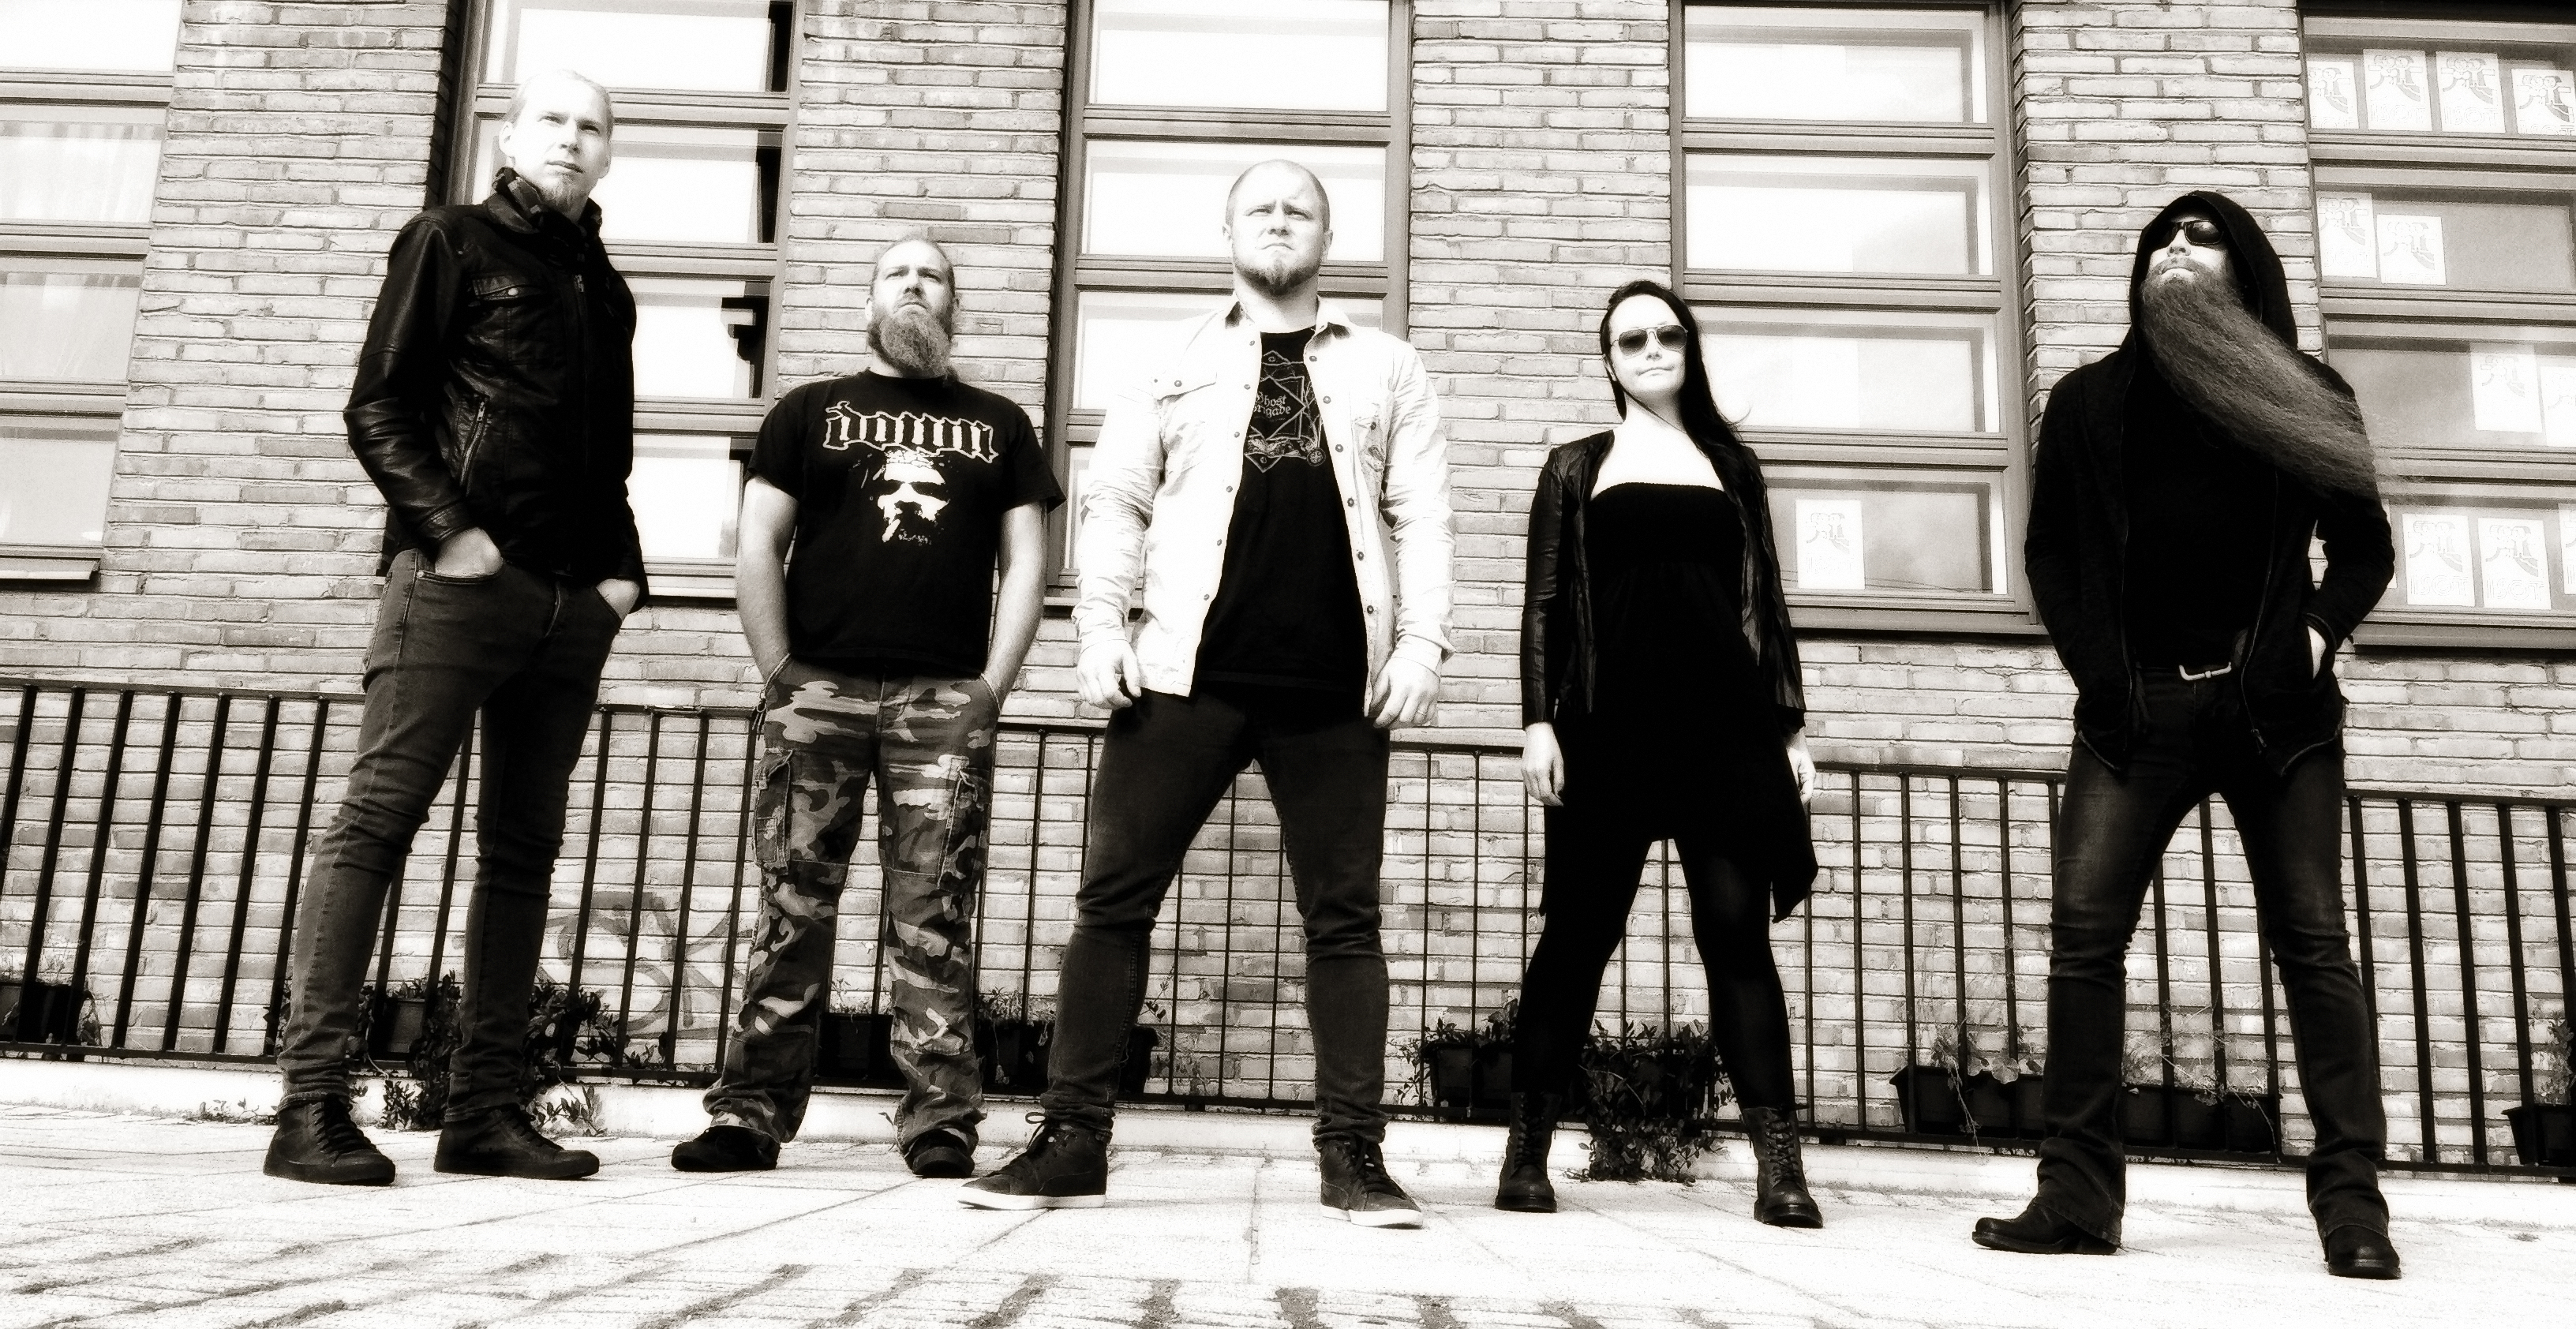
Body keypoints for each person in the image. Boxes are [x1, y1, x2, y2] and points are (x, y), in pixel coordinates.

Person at [960, 159, 1453, 1224]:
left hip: (1336, 685)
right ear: (1227, 230)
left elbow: (1423, 513)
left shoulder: (1390, 365)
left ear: (1328, 236)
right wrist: (1100, 630)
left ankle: (1354, 1158)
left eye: (1300, 208)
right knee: (1112, 904)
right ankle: (1073, 1141)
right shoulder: (1171, 357)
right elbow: (1116, 501)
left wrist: (1422, 646)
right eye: (1259, 207)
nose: (1279, 220)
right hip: (1181, 672)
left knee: (1345, 922)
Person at [1975, 192, 2399, 1279]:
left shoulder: (2305, 394)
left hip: (2277, 718)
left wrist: (2312, 637)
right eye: (2162, 237)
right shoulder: (2088, 401)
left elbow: (2364, 548)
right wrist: (2099, 673)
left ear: (2244, 272)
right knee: (2084, 944)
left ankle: (2354, 1209)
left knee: (2314, 944)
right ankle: (2076, 1198)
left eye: (2202, 236)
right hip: (2137, 715)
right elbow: (2050, 552)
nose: (2175, 246)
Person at [265, 70, 641, 1185]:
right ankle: (310, 1108)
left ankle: (484, 1113)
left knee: (522, 854)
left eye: (593, 127)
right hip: (458, 585)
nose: (572, 139)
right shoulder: (449, 239)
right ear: (511, 138)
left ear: (608, 153)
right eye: (553, 120)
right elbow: (377, 404)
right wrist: (453, 534)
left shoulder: (604, 285)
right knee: (376, 822)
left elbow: (608, 451)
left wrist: (619, 578)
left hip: (569, 605)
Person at [668, 235, 1058, 1180]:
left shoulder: (1001, 424)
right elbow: (757, 544)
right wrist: (779, 671)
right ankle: (749, 1115)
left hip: (942, 700)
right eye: (896, 272)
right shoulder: (807, 411)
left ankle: (940, 1122)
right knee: (791, 906)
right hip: (818, 693)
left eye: (933, 275)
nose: (914, 283)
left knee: (934, 911)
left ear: (954, 305)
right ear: (869, 304)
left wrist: (991, 691)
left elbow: (1028, 566)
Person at [1501, 280, 1821, 1223]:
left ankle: (1782, 1173)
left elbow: (1764, 602)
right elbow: (1544, 604)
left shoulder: (1732, 466)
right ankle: (1526, 1158)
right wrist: (1537, 721)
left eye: (1666, 335)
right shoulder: (1578, 465)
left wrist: (1790, 729)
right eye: (1630, 339)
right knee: (1576, 939)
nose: (1650, 349)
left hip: (1727, 731)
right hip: (1609, 730)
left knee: (1738, 938)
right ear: (1609, 360)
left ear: (1689, 346)